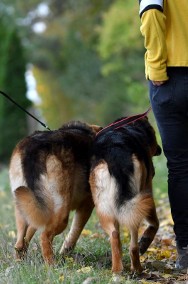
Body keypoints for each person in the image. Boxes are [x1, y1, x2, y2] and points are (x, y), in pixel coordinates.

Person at [138, 0, 188, 272]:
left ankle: (186, 249)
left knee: (180, 167)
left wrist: (157, 65)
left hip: (171, 76)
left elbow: (151, 11)